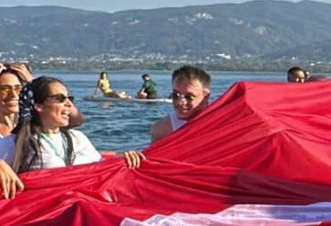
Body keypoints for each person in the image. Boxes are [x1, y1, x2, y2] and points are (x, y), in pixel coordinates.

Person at [0, 76, 142, 172]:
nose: (69, 104)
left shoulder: (77, 138)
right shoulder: (14, 144)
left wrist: (121, 159)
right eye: (60, 98)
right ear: (38, 105)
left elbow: (100, 167)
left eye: (69, 98)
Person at [150, 65, 211, 143]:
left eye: (189, 97)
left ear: (205, 96)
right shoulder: (163, 129)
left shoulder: (222, 118)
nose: (180, 102)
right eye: (175, 95)